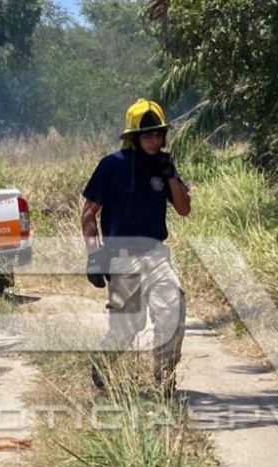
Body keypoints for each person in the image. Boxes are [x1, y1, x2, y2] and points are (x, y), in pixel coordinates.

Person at [81, 98, 191, 396]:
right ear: (134, 137)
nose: (155, 141)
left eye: (159, 134)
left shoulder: (163, 167)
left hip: (156, 254)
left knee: (173, 313)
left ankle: (164, 383)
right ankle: (103, 364)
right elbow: (89, 213)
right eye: (148, 135)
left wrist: (171, 177)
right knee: (128, 326)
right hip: (122, 258)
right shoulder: (111, 166)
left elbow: (184, 209)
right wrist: (94, 255)